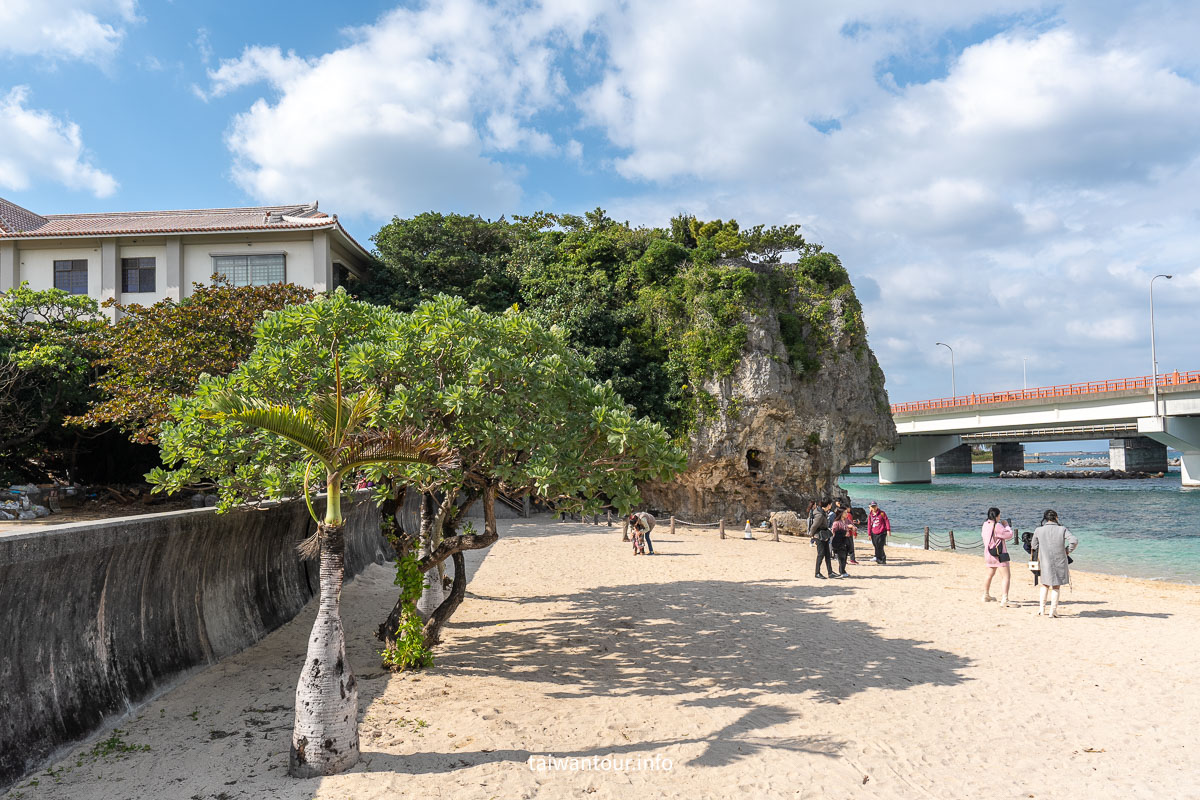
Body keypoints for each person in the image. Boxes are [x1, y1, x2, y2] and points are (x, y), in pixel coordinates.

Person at [1031, 510, 1078, 618]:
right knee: (1056, 586)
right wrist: (1067, 550)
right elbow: (1074, 541)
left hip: (1045, 560)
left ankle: (1042, 609)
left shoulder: (1039, 530)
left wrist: (1041, 550)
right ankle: (1053, 611)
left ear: (1045, 518)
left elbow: (1034, 545)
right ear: (1056, 517)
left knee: (1044, 584)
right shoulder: (1062, 529)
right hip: (1060, 559)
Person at [982, 507, 1014, 606]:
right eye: (999, 515)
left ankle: (985, 595)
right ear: (996, 516)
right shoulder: (997, 526)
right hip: (999, 555)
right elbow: (1009, 535)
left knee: (989, 575)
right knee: (1006, 577)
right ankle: (1005, 599)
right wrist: (1007, 526)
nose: (1000, 517)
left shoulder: (985, 524)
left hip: (988, 554)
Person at [808, 499, 834, 578]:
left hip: (824, 535)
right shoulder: (820, 515)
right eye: (830, 504)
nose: (831, 506)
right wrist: (812, 535)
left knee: (827, 554)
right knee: (821, 554)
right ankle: (817, 573)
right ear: (828, 505)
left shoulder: (822, 512)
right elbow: (814, 526)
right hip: (819, 536)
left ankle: (830, 572)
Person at [830, 508, 855, 577]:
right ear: (841, 514)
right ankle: (842, 571)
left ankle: (843, 570)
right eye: (845, 513)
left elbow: (854, 527)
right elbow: (833, 532)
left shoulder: (847, 520)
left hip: (846, 540)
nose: (847, 514)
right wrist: (846, 528)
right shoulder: (836, 522)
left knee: (845, 556)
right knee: (841, 557)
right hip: (839, 541)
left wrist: (853, 528)